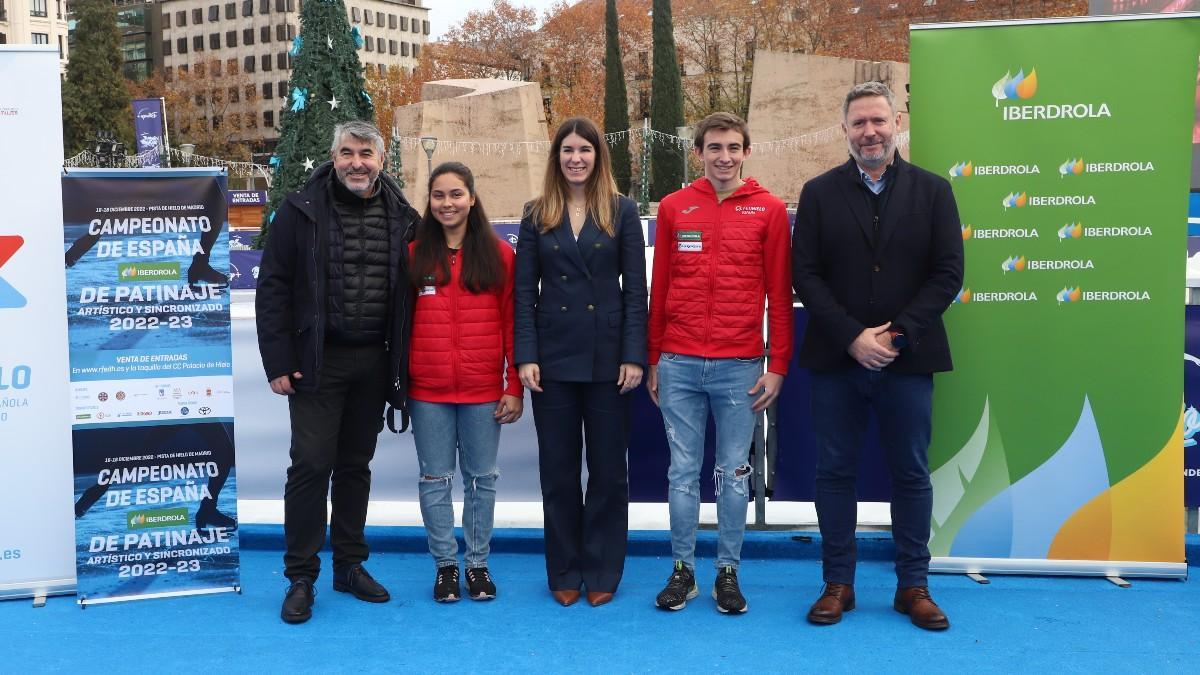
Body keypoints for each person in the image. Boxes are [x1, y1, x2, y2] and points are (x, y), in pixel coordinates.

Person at [792, 82, 963, 631]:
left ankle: (913, 585)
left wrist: (895, 336)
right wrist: (851, 336)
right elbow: (807, 275)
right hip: (837, 361)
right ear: (844, 129)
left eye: (879, 121)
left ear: (897, 125)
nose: (870, 132)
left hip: (906, 361)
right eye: (859, 122)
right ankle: (837, 584)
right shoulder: (818, 193)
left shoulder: (934, 192)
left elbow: (948, 273)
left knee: (910, 473)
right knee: (835, 473)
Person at [256, 120, 419, 624]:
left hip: (373, 362)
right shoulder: (299, 211)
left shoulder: (405, 217)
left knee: (354, 467)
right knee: (309, 467)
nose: (356, 162)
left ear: (381, 160)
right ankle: (300, 576)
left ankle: (349, 566)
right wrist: (280, 361)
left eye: (365, 154)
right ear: (333, 156)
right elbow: (274, 289)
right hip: (316, 364)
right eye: (347, 152)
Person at [647, 112, 793, 614]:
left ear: (746, 152)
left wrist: (778, 365)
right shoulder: (673, 207)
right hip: (679, 364)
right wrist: (653, 359)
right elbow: (659, 288)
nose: (724, 156)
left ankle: (727, 571)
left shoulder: (769, 210)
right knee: (682, 473)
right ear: (700, 153)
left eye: (733, 147)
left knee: (733, 473)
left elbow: (779, 293)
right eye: (714, 147)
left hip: (740, 366)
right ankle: (683, 571)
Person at [514, 116, 647, 608]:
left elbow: (636, 290)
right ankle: (565, 570)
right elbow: (524, 293)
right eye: (567, 150)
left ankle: (603, 568)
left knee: (610, 473)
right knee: (559, 472)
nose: (576, 158)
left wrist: (635, 354)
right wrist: (525, 355)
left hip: (610, 361)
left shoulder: (622, 210)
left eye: (585, 151)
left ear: (597, 157)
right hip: (551, 361)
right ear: (556, 157)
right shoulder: (535, 213)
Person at [407, 161, 523, 602]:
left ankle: (476, 564)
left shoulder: (499, 255)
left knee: (481, 479)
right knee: (435, 479)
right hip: (429, 391)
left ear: (472, 199)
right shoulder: (415, 254)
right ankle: (445, 567)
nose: (447, 203)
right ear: (430, 202)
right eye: (439, 195)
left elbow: (513, 323)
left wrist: (514, 385)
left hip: (482, 391)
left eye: (456, 194)